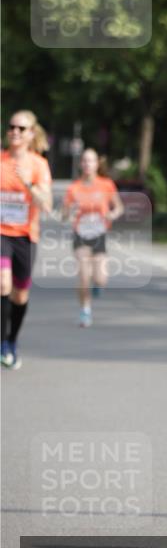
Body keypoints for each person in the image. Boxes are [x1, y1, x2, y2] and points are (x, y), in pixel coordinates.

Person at [1, 110, 52, 369]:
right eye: (11, 127)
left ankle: (11, 340)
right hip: (1, 233)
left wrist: (28, 184)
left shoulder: (38, 164)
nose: (15, 132)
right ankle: (1, 343)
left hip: (25, 236)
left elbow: (47, 205)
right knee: (2, 284)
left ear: (31, 133)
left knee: (20, 295)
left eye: (21, 128)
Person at [61, 149, 124, 327]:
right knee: (84, 275)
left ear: (97, 164)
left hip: (99, 234)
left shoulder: (106, 185)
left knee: (101, 278)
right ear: (81, 164)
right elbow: (64, 213)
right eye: (85, 161)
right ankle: (85, 311)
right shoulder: (74, 188)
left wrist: (112, 214)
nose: (88, 164)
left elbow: (119, 207)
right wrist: (69, 214)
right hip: (80, 233)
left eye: (91, 161)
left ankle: (97, 286)